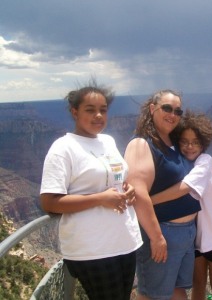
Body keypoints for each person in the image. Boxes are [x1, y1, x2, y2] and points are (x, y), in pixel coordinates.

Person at [40, 80, 142, 300]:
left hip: (123, 241)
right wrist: (100, 199)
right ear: (74, 112)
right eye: (90, 110)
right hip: (92, 249)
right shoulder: (63, 148)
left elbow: (114, 179)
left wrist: (128, 188)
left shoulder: (108, 141)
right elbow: (50, 202)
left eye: (103, 110)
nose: (98, 116)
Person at [124, 90, 201, 300]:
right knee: (152, 295)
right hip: (163, 232)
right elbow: (138, 193)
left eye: (178, 111)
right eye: (166, 108)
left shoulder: (174, 143)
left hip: (186, 234)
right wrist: (157, 237)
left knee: (178, 291)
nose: (172, 114)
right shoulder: (143, 144)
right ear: (152, 108)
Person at [151, 111, 212, 300]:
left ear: (203, 143)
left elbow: (185, 187)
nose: (189, 147)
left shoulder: (204, 161)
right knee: (198, 285)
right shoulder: (189, 163)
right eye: (184, 141)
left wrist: (148, 201)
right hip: (196, 237)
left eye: (195, 142)